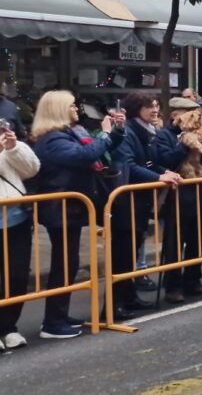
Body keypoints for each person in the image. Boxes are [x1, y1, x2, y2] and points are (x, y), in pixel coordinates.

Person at [32, 90, 126, 338]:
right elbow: (84, 155)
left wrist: (116, 131)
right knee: (63, 264)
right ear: (59, 109)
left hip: (72, 207)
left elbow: (96, 151)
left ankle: (60, 316)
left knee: (69, 262)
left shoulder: (70, 133)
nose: (77, 109)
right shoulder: (52, 139)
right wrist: (105, 134)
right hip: (60, 208)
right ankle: (53, 322)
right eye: (72, 106)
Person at [111, 93, 180, 320]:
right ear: (135, 109)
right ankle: (114, 304)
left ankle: (129, 296)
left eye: (156, 105)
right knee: (122, 252)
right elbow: (130, 165)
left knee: (133, 248)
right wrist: (158, 177)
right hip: (125, 201)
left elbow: (150, 161)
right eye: (149, 106)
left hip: (140, 200)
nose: (155, 109)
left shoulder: (149, 132)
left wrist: (164, 172)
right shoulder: (129, 132)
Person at [155, 97, 202, 303]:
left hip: (200, 191)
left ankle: (193, 280)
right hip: (177, 195)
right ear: (176, 114)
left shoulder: (201, 131)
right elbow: (164, 161)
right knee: (174, 243)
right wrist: (184, 144)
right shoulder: (164, 135)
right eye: (191, 112)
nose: (197, 116)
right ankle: (172, 285)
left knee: (198, 240)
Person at [0, 125, 39, 351]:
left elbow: (32, 169)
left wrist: (13, 148)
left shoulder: (10, 144)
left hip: (16, 219)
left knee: (17, 274)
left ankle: (9, 326)